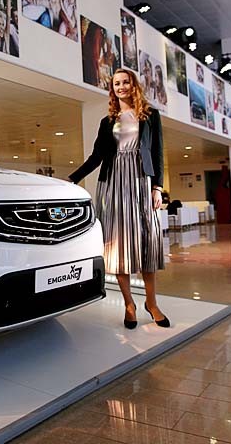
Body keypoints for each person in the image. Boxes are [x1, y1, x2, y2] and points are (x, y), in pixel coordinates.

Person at [69, 68, 168, 330]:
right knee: (117, 245)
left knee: (147, 242)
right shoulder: (107, 121)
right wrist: (72, 179)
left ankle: (152, 303)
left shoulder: (150, 115)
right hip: (113, 184)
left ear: (134, 85)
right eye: (116, 83)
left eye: (125, 82)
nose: (121, 86)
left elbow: (157, 152)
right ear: (112, 89)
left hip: (141, 182)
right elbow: (96, 157)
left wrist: (158, 187)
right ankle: (129, 304)